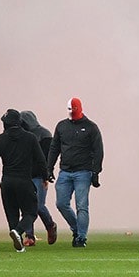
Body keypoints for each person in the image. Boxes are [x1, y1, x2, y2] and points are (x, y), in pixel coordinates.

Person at [48, 97, 104, 248]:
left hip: (83, 172)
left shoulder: (91, 127)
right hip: (65, 171)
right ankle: (76, 229)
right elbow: (55, 148)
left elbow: (98, 150)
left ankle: (81, 237)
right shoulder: (61, 126)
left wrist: (96, 172)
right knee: (61, 203)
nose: (72, 113)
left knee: (82, 206)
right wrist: (49, 167)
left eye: (73, 110)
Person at [0, 110, 46, 252]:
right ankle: (19, 231)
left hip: (7, 181)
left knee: (11, 212)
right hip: (24, 180)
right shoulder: (30, 138)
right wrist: (45, 177)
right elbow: (40, 160)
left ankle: (18, 244)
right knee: (31, 212)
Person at [20, 110, 58, 246]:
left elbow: (47, 157)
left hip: (38, 176)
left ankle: (50, 225)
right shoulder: (23, 135)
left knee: (38, 205)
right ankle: (29, 236)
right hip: (25, 176)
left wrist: (45, 175)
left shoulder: (44, 134)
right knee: (26, 206)